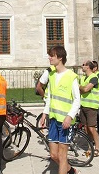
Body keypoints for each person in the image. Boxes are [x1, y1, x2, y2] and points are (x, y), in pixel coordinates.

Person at [38, 46, 81, 174]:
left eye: (52, 55)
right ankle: (71, 170)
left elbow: (77, 100)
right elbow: (49, 96)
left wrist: (70, 116)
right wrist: (45, 113)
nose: (49, 58)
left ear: (60, 58)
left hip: (66, 122)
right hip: (53, 119)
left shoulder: (71, 76)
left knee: (62, 156)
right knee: (53, 155)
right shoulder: (51, 75)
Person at [78, 60, 99, 157]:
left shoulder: (94, 78)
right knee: (86, 128)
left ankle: (97, 148)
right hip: (84, 105)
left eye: (83, 65)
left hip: (91, 107)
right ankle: (90, 146)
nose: (81, 66)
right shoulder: (83, 78)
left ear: (88, 67)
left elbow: (85, 89)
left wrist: (78, 86)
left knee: (92, 128)